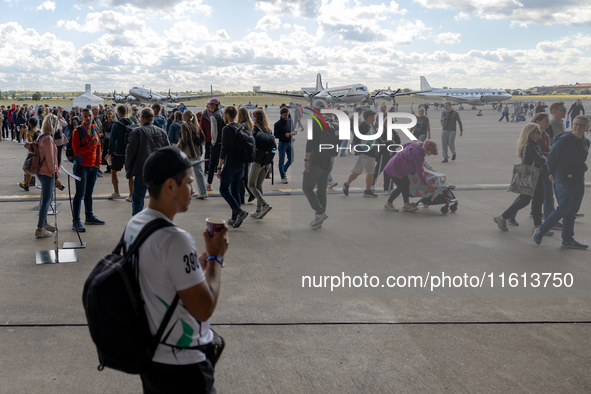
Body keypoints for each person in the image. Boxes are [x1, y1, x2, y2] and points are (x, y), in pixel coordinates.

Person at [124, 146, 228, 393]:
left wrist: (194, 267)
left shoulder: (136, 223)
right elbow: (203, 308)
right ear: (170, 186)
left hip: (152, 358)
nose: (193, 190)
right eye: (189, 183)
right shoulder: (175, 240)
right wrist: (215, 257)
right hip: (183, 367)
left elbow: (160, 279)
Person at [534, 115, 590, 249]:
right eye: (575, 124)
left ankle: (568, 240)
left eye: (581, 125)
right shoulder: (564, 140)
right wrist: (552, 174)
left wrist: (583, 168)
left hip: (578, 179)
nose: (577, 127)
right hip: (564, 178)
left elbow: (580, 160)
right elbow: (551, 159)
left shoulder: (586, 142)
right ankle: (541, 230)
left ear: (587, 127)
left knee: (572, 211)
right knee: (564, 208)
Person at [493, 123, 551, 235]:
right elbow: (540, 160)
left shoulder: (535, 144)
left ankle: (538, 227)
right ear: (530, 134)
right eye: (538, 132)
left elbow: (541, 159)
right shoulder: (529, 146)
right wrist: (546, 158)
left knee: (538, 201)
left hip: (537, 176)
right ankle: (503, 217)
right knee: (525, 200)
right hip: (530, 177)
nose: (541, 133)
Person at [126, 108, 170, 216]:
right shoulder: (162, 132)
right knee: (157, 201)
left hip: (142, 170)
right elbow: (168, 152)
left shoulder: (137, 132)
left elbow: (130, 152)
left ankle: (138, 226)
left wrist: (128, 169)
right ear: (153, 118)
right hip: (157, 172)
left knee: (138, 201)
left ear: (141, 118)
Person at [27, 116, 62, 238]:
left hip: (41, 172)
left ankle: (44, 222)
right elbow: (51, 159)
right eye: (55, 123)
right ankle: (40, 228)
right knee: (46, 201)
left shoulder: (41, 136)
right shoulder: (48, 139)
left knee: (44, 199)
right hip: (47, 172)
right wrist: (56, 176)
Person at [303, 100, 335, 229]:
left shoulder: (314, 122)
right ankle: (319, 220)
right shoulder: (330, 121)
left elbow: (310, 143)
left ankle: (320, 213)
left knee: (307, 187)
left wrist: (306, 160)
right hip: (329, 161)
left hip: (316, 160)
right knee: (322, 191)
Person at [71, 108, 104, 232]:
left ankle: (89, 216)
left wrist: (98, 163)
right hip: (81, 167)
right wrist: (90, 144)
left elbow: (99, 146)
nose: (88, 118)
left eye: (89, 115)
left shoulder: (95, 129)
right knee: (79, 194)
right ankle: (76, 220)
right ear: (82, 118)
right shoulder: (77, 132)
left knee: (89, 193)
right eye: (85, 116)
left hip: (92, 167)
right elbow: (76, 151)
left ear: (93, 116)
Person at [216, 106, 249, 228]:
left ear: (228, 115)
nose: (223, 116)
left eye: (224, 114)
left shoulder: (227, 129)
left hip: (230, 164)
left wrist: (219, 168)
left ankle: (239, 212)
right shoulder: (241, 127)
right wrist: (244, 167)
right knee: (235, 189)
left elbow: (223, 150)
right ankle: (235, 218)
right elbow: (244, 149)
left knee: (223, 189)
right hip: (241, 164)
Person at [383, 140, 437, 212]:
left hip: (396, 163)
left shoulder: (417, 143)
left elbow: (404, 146)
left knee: (406, 183)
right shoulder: (418, 154)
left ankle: (406, 204)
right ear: (427, 149)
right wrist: (426, 185)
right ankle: (388, 204)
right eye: (432, 152)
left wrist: (405, 157)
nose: (432, 154)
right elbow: (420, 171)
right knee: (401, 186)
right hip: (395, 168)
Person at [342, 109, 379, 198]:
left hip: (371, 153)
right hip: (362, 153)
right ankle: (347, 184)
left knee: (371, 173)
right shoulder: (361, 127)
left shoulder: (372, 126)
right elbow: (356, 140)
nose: (373, 119)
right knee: (357, 173)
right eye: (371, 117)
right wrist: (358, 152)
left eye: (373, 117)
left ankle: (367, 190)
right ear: (366, 118)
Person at [249, 109, 275, 219]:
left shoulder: (255, 130)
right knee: (259, 185)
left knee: (251, 185)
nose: (252, 118)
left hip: (257, 161)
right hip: (267, 161)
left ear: (256, 118)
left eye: (253, 117)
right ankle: (258, 210)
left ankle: (264, 205)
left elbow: (251, 145)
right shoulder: (268, 129)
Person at [106, 105, 134, 202]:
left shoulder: (116, 125)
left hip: (118, 152)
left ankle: (116, 192)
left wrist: (109, 152)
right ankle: (131, 195)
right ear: (126, 112)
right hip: (129, 152)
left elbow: (112, 140)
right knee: (130, 174)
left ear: (118, 112)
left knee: (113, 172)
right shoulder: (132, 123)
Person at [178, 109, 208, 199]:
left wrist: (179, 144)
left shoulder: (184, 125)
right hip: (196, 151)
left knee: (184, 172)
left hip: (188, 152)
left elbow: (184, 139)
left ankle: (186, 192)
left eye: (183, 115)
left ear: (187, 116)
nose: (182, 116)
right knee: (199, 172)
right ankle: (203, 192)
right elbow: (203, 137)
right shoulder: (196, 125)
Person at [201, 98, 225, 191]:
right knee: (224, 163)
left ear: (214, 105)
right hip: (224, 143)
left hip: (217, 143)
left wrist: (213, 143)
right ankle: (227, 184)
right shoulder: (222, 113)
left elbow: (214, 132)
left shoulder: (213, 116)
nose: (208, 106)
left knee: (212, 164)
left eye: (210, 104)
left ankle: (209, 184)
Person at [274, 107, 294, 184]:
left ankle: (284, 170)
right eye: (285, 115)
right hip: (282, 143)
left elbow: (291, 129)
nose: (286, 117)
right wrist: (284, 135)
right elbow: (276, 135)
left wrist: (292, 134)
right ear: (281, 114)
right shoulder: (277, 124)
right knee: (281, 160)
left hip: (290, 142)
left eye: (287, 115)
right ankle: (282, 176)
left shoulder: (289, 121)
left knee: (291, 159)